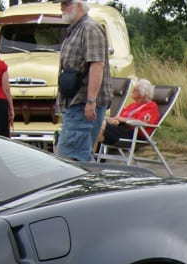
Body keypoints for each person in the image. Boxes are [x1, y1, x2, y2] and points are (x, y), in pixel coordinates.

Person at [55, 0, 111, 162]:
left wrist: (91, 100)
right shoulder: (76, 29)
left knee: (71, 158)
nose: (62, 8)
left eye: (66, 4)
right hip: (76, 103)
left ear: (78, 6)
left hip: (82, 104)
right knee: (79, 157)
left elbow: (97, 65)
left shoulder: (89, 28)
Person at [99, 78, 161, 148]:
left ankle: (90, 156)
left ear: (143, 94)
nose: (132, 91)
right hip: (121, 130)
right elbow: (120, 119)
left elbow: (141, 123)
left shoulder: (151, 106)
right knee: (96, 129)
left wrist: (122, 119)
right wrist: (116, 121)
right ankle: (93, 156)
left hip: (134, 135)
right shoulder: (132, 105)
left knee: (98, 125)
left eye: (135, 90)